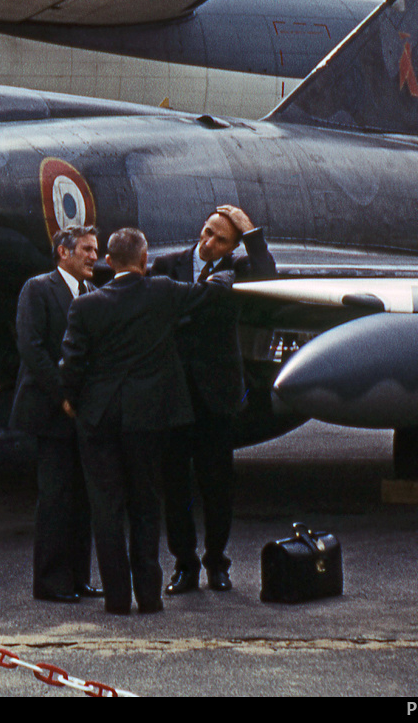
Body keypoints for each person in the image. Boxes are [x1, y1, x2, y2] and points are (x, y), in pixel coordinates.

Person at [59, 227, 231, 615]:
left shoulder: (85, 307)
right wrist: (223, 271)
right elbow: (212, 294)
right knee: (146, 508)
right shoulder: (163, 292)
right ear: (143, 261)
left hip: (99, 420)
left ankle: (117, 600)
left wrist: (71, 400)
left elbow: (72, 361)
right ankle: (149, 597)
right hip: (149, 418)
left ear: (108, 262)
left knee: (106, 510)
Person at [149, 205, 277, 594]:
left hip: (216, 397)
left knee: (217, 484)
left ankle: (217, 563)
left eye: (220, 239)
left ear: (233, 246)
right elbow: (162, 310)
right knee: (175, 485)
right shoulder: (168, 265)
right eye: (206, 233)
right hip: (174, 394)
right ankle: (184, 564)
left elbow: (268, 276)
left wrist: (252, 234)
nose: (208, 243)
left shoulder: (239, 271)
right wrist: (206, 297)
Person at [10, 225, 103, 604]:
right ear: (63, 252)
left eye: (96, 250)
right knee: (55, 499)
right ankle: (50, 582)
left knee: (82, 500)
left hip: (82, 413)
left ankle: (79, 578)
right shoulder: (38, 289)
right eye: (86, 249)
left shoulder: (94, 294)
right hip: (50, 411)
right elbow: (31, 348)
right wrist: (63, 395)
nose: (94, 256)